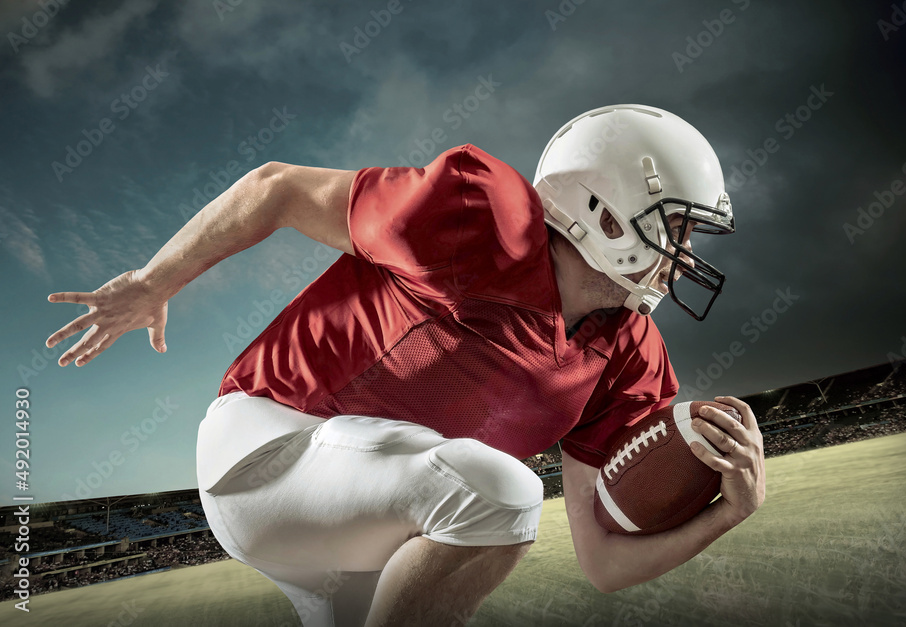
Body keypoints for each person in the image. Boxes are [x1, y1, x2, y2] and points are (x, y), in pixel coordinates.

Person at [45, 104, 766, 626]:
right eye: (675, 226)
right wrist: (151, 283)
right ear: (604, 209)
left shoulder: (626, 349)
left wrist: (729, 513)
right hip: (267, 451)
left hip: (370, 524)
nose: (686, 256)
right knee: (503, 493)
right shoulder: (478, 218)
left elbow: (604, 565)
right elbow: (278, 187)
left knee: (490, 499)